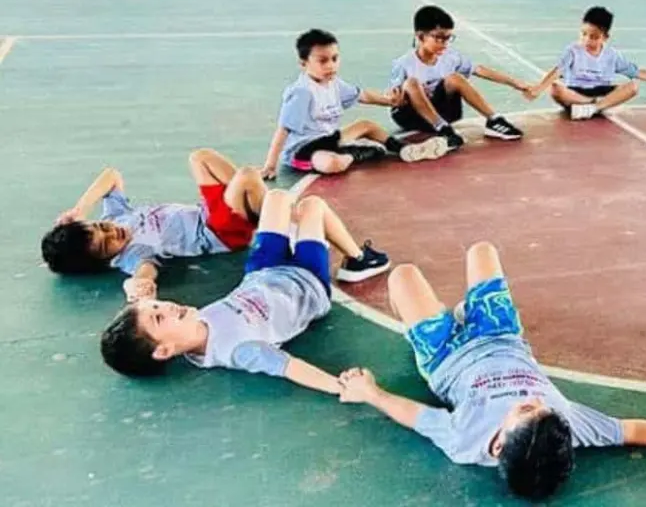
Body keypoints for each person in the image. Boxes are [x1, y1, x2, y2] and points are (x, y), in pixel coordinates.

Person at [335, 244, 646, 501]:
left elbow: (414, 416)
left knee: (403, 275)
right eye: (544, 409)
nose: (535, 402)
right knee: (481, 251)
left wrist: (370, 391)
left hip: (445, 357)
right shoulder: (563, 428)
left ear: (496, 447)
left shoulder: (464, 440)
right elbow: (633, 430)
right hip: (503, 337)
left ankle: (430, 321)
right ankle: (464, 312)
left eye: (526, 413)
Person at [98, 190, 351, 391]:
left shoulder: (186, 323)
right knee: (313, 206)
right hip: (307, 284)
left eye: (157, 306)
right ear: (164, 350)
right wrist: (338, 386)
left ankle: (301, 234)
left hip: (262, 270)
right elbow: (290, 367)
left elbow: (143, 296)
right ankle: (359, 257)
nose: (166, 306)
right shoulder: (237, 350)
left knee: (277, 197)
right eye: (159, 316)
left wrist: (134, 286)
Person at [45, 155, 391, 297]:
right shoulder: (133, 255)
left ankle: (274, 213)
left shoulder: (116, 217)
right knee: (246, 178)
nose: (112, 233)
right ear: (106, 260)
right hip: (217, 231)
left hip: (210, 212)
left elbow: (111, 175)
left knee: (200, 157)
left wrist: (79, 207)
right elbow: (145, 272)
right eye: (106, 244)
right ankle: (275, 213)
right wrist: (138, 288)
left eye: (100, 227)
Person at [262, 28, 448, 178]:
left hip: (332, 139)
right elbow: (283, 129)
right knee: (332, 164)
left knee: (366, 125)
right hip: (305, 150)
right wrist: (270, 165)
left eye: (335, 59)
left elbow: (363, 95)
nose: (331, 65)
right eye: (323, 61)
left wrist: (391, 101)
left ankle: (404, 149)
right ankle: (356, 153)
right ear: (303, 64)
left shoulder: (334, 83)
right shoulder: (302, 92)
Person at [389, 5, 529, 149]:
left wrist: (515, 83)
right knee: (411, 83)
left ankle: (493, 120)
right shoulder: (403, 63)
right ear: (420, 36)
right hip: (413, 117)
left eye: (448, 38)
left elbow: (479, 70)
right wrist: (405, 97)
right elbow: (393, 98)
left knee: (455, 77)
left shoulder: (450, 57)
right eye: (439, 38)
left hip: (445, 112)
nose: (444, 43)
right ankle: (443, 130)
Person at [524, 6, 646, 120]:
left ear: (605, 37)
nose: (587, 40)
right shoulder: (572, 50)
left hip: (601, 91)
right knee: (555, 88)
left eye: (593, 37)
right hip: (576, 93)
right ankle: (594, 105)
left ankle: (593, 108)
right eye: (583, 34)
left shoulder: (611, 55)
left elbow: (637, 72)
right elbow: (557, 71)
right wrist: (539, 88)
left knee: (633, 86)